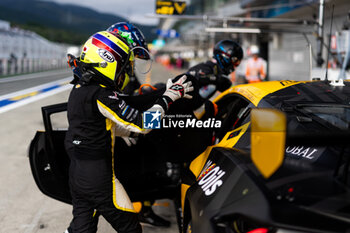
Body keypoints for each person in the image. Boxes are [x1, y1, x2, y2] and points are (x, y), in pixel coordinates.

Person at [64, 31, 193, 233]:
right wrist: (169, 97)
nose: (125, 72)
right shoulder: (102, 94)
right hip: (99, 178)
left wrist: (127, 134)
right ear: (108, 62)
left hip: (77, 173)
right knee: (131, 229)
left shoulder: (79, 88)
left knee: (81, 228)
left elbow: (94, 125)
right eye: (123, 66)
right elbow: (144, 123)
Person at [108, 22, 172, 228]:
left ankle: (143, 209)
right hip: (104, 158)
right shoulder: (105, 86)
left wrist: (149, 93)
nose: (133, 61)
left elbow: (130, 97)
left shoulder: (115, 74)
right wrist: (168, 98)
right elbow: (143, 124)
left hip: (114, 136)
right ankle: (141, 210)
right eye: (131, 54)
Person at [187, 40, 243, 108]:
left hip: (189, 109)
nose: (235, 65)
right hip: (178, 107)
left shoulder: (218, 73)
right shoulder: (207, 67)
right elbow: (191, 77)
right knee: (212, 86)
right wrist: (216, 79)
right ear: (225, 56)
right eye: (235, 60)